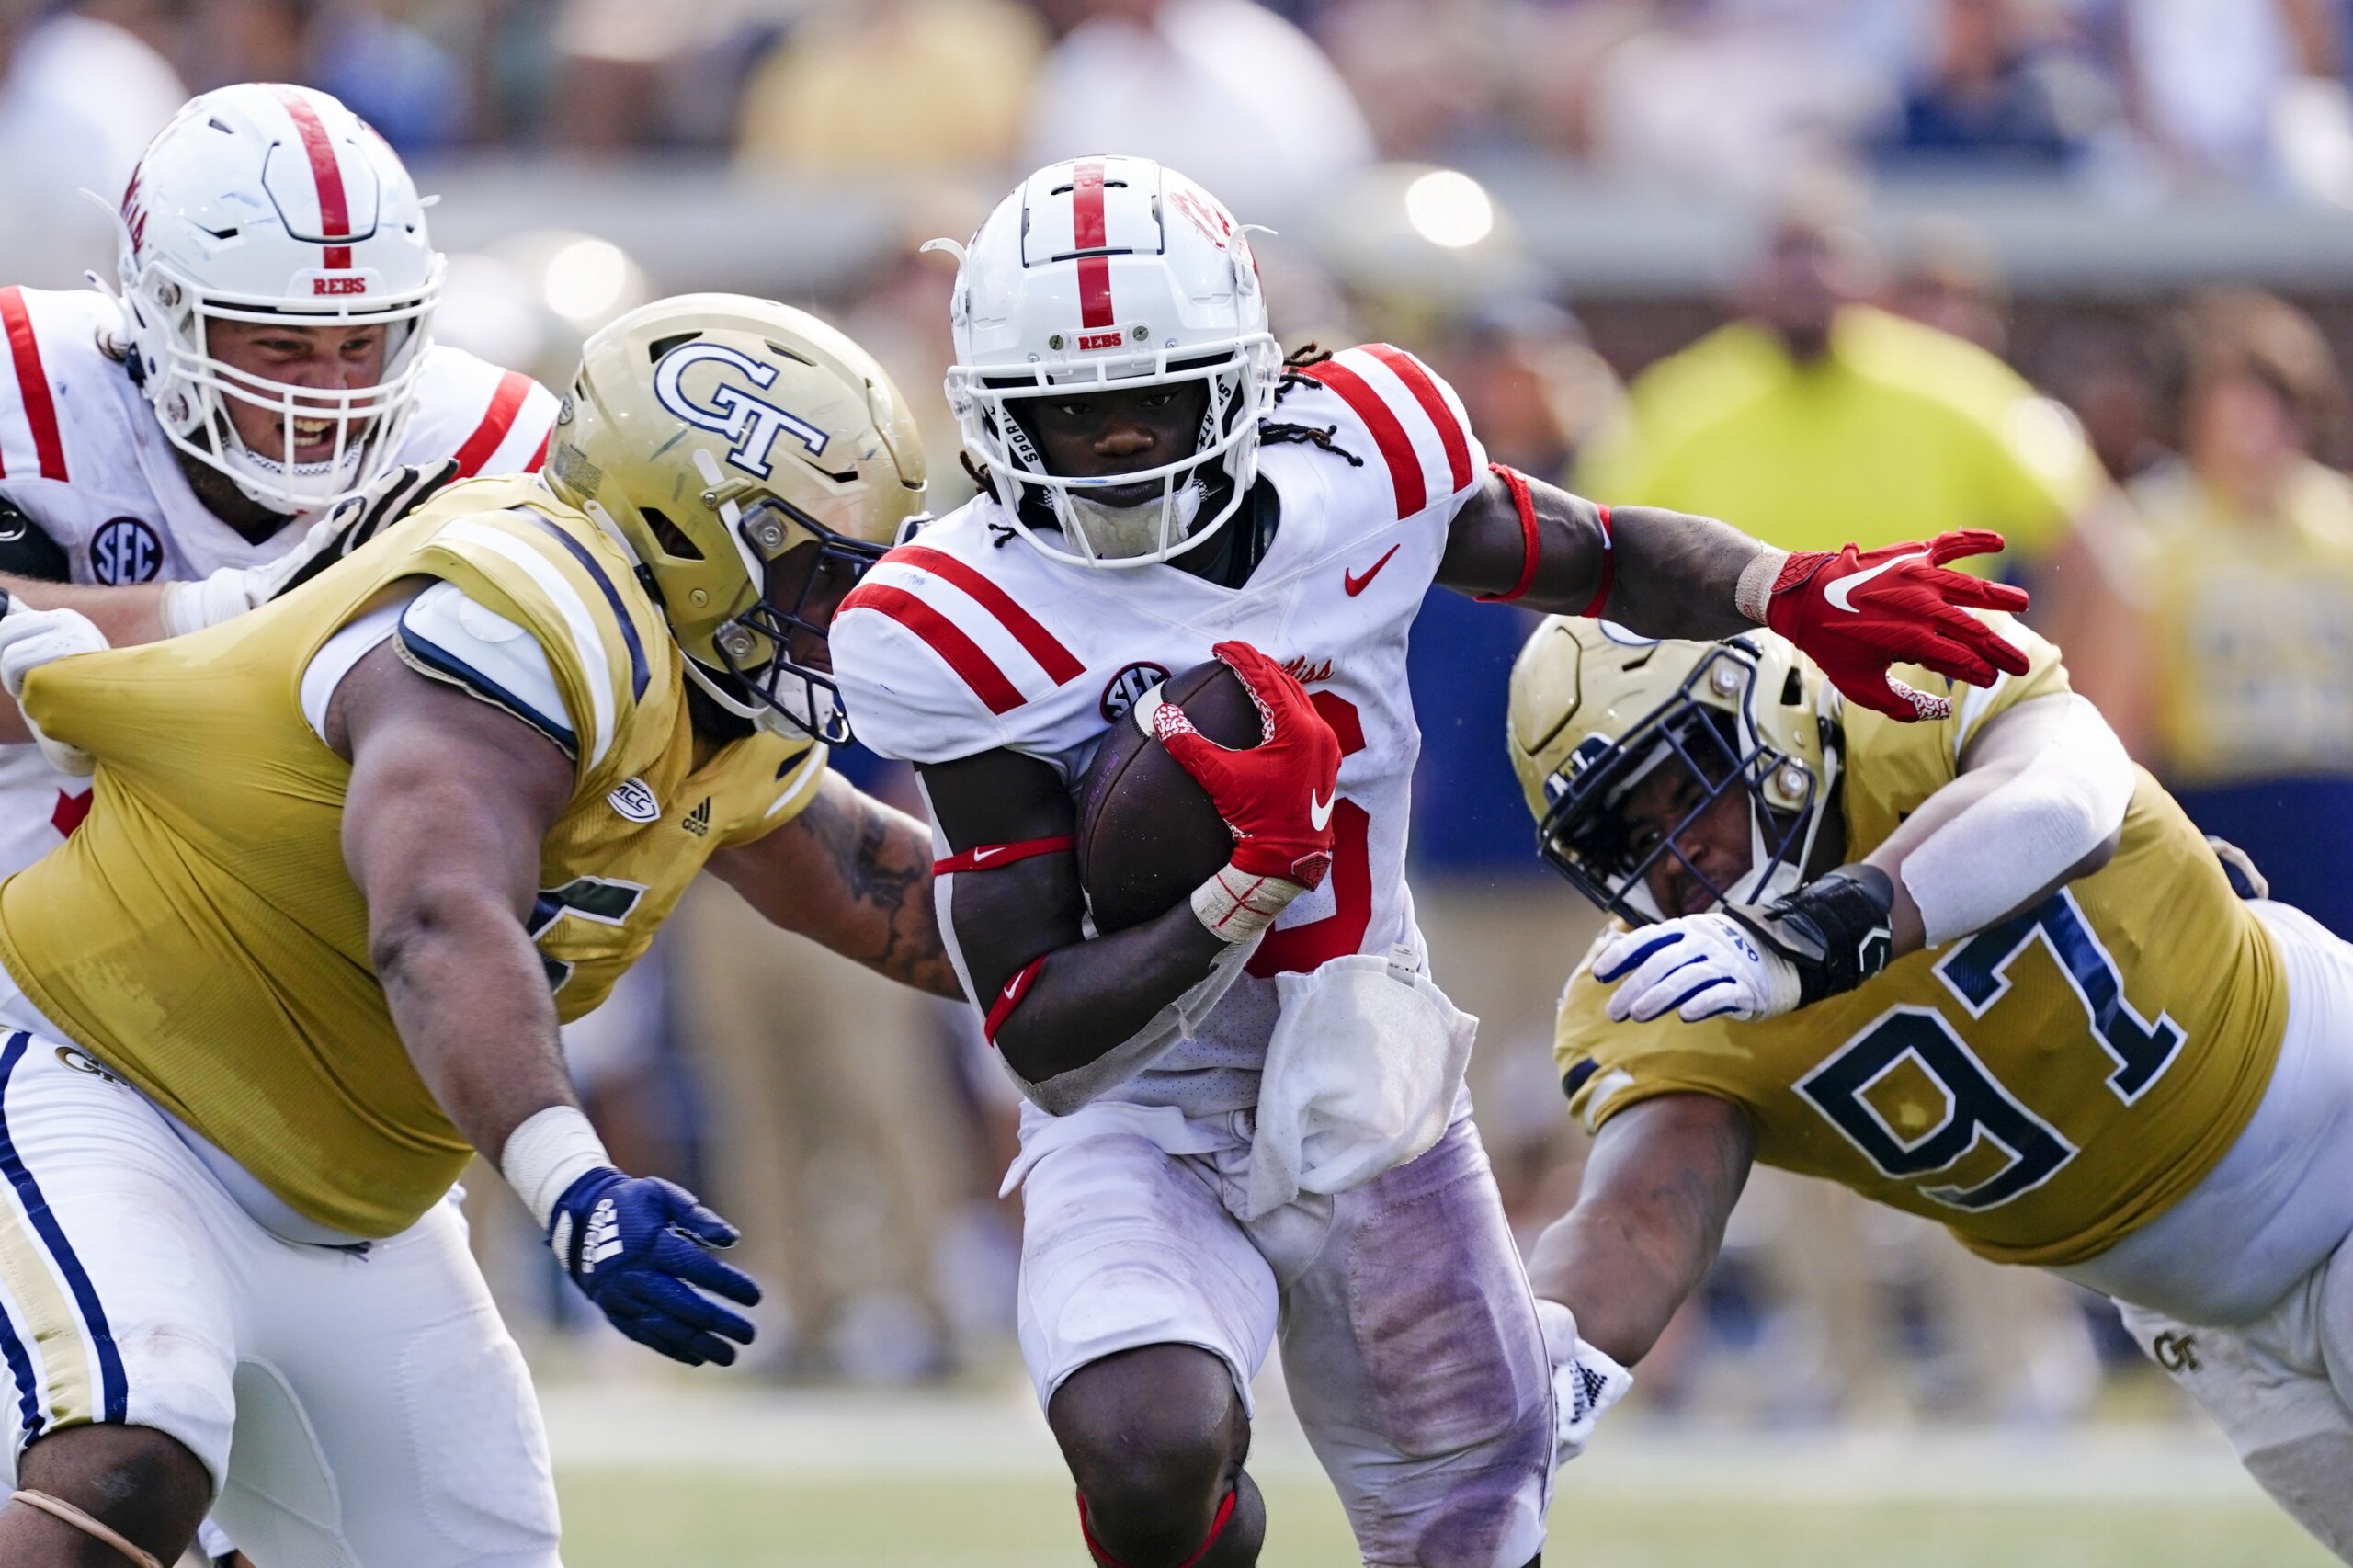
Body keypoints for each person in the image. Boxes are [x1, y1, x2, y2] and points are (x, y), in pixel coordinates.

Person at [827, 153, 2036, 1568]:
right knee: (1146, 1439)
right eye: (1070, 413)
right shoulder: (943, 616)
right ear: (987, 413)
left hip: (1371, 1057)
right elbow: (1043, 1036)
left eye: (1151, 400)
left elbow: (1589, 552)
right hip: (1144, 1100)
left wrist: (1780, 588)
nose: (1114, 448)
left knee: (1470, 1520)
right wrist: (1244, 877)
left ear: (1247, 374)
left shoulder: (1366, 450)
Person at [0, 290, 959, 1567]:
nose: (842, 612)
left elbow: (879, 889)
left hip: (363, 1200)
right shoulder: (521, 606)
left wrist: (1208, 926)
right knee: (126, 1453)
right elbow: (437, 919)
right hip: (111, 1088)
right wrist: (577, 1186)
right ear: (683, 528)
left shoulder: (717, 692)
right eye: (806, 568)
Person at [1507, 612, 2353, 1563]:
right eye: (1625, 832)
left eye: (1679, 788)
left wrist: (1815, 930)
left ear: (1767, 717)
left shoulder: (1909, 699)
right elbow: (1639, 1215)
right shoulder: (1655, 996)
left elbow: (2064, 801)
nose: (1671, 855)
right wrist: (1536, 1360)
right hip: (2208, 1320)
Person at [0, 80, 558, 878]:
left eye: (360, 344)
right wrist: (238, 614)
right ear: (162, 314)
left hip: (324, 960)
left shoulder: (485, 438)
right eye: (283, 348)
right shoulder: (25, 384)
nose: (328, 396)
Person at [2084, 290, 2353, 938]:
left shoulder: (2339, 522)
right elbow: (2118, 709)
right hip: (2218, 800)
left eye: (2273, 413)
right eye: (2233, 414)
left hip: (2338, 803)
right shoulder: (2150, 529)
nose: (2254, 437)